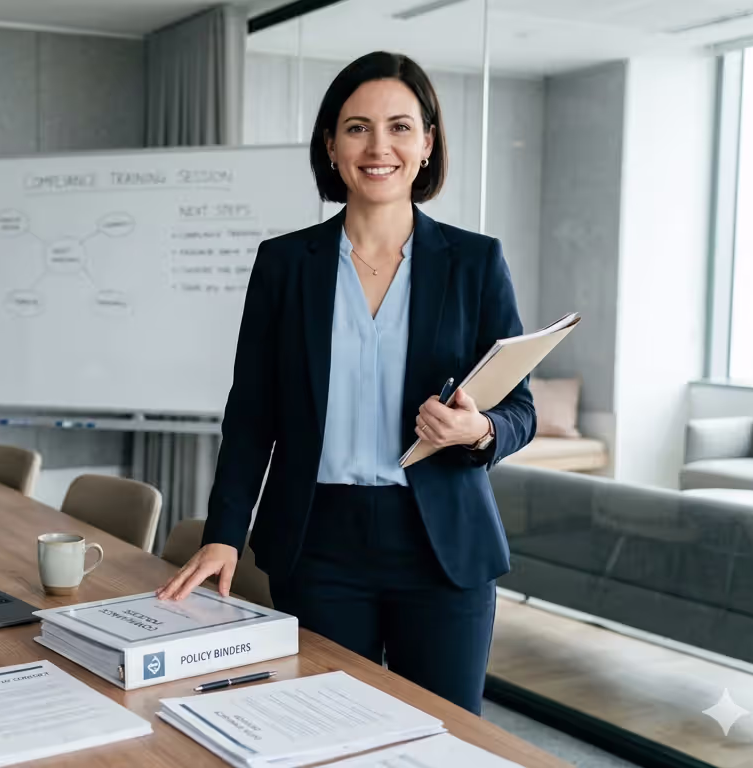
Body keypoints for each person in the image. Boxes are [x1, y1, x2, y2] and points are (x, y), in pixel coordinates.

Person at [157, 51, 535, 715]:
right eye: (357, 127)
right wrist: (222, 532)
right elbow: (252, 414)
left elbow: (521, 409)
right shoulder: (285, 264)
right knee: (324, 729)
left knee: (444, 742)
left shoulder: (476, 263)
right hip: (319, 544)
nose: (378, 145)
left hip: (441, 546)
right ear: (331, 146)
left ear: (426, 144)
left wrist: (480, 430)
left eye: (398, 127)